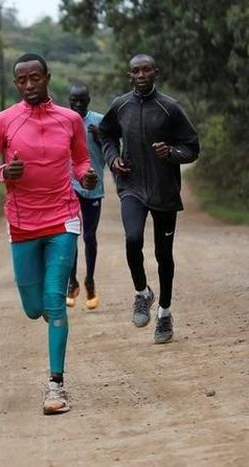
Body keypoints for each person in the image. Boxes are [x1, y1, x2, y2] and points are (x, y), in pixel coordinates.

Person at [0, 53, 97, 415]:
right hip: (22, 222)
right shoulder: (5, 120)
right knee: (34, 309)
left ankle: (55, 386)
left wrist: (86, 175)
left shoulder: (70, 119)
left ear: (47, 77)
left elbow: (80, 160)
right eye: (22, 80)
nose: (29, 85)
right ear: (16, 84)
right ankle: (49, 313)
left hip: (63, 218)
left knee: (55, 302)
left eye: (35, 78)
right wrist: (2, 173)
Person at [98, 54, 199, 344]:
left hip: (164, 190)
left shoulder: (170, 108)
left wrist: (171, 153)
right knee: (132, 239)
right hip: (132, 186)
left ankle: (165, 314)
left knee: (163, 255)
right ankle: (142, 293)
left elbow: (192, 147)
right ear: (129, 76)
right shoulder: (120, 105)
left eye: (146, 70)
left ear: (156, 73)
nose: (141, 75)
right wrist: (113, 157)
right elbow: (105, 135)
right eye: (135, 71)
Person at [66, 82, 105, 310]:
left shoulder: (99, 121)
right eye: (74, 100)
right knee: (70, 234)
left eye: (82, 100)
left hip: (93, 186)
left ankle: (89, 279)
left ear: (89, 100)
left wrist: (100, 137)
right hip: (68, 186)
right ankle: (72, 281)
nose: (78, 104)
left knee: (89, 236)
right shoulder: (62, 120)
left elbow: (114, 149)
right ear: (69, 100)